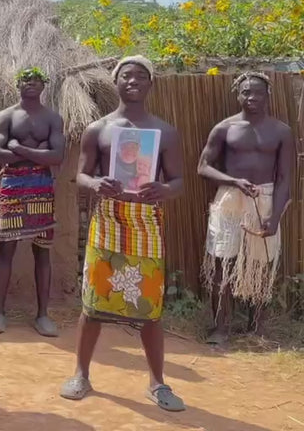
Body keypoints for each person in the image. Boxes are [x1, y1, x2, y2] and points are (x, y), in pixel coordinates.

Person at [59, 55, 186, 412]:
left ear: (151, 84)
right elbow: (81, 175)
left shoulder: (165, 132)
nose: (133, 81)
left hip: (147, 223)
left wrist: (164, 189)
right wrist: (96, 183)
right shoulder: (98, 129)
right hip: (107, 221)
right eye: (126, 76)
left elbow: (179, 181)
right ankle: (81, 375)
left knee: (150, 307)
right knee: (94, 304)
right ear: (115, 82)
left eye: (141, 76)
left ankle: (157, 383)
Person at [198, 72, 294, 344]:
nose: (251, 97)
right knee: (221, 262)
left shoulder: (281, 131)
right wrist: (234, 181)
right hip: (229, 199)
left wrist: (275, 216)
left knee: (262, 263)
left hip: (265, 198)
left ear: (268, 95)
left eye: (257, 92)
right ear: (237, 95)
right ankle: (220, 328)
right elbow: (203, 167)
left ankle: (257, 328)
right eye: (246, 92)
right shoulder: (224, 128)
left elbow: (284, 178)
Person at [0, 67, 64, 337]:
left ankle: (43, 315)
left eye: (36, 80)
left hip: (42, 186)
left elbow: (57, 156)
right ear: (17, 84)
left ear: (44, 85)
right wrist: (39, 152)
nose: (31, 83)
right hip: (12, 184)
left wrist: (19, 148)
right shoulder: (6, 116)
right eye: (26, 80)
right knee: (6, 248)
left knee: (42, 250)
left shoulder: (52, 118)